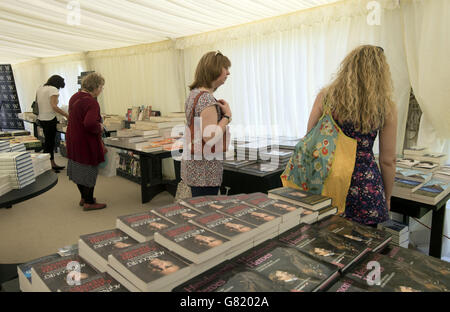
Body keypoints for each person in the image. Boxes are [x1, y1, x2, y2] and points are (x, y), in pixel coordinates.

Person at [306, 45, 397, 226]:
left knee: (322, 242)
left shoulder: (325, 96)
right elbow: (388, 160)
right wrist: (387, 197)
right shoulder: (385, 106)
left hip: (327, 178)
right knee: (362, 246)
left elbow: (309, 139)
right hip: (364, 183)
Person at [181, 51, 232, 197]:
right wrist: (227, 116)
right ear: (214, 70)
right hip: (205, 170)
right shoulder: (207, 100)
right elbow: (210, 137)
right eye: (225, 68)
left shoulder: (194, 94)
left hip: (194, 164)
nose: (228, 73)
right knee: (206, 210)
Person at [66, 72, 107, 211]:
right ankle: (89, 202)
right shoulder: (91, 102)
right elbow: (89, 124)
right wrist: (100, 126)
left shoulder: (75, 97)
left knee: (77, 168)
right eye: (101, 87)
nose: (101, 90)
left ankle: (84, 197)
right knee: (89, 169)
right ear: (95, 87)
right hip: (85, 139)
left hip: (73, 136)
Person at [35, 75, 69, 171]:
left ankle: (50, 163)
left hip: (41, 118)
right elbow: (54, 106)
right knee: (50, 143)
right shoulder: (53, 89)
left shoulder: (40, 88)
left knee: (47, 142)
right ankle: (50, 164)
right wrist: (66, 115)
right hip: (50, 118)